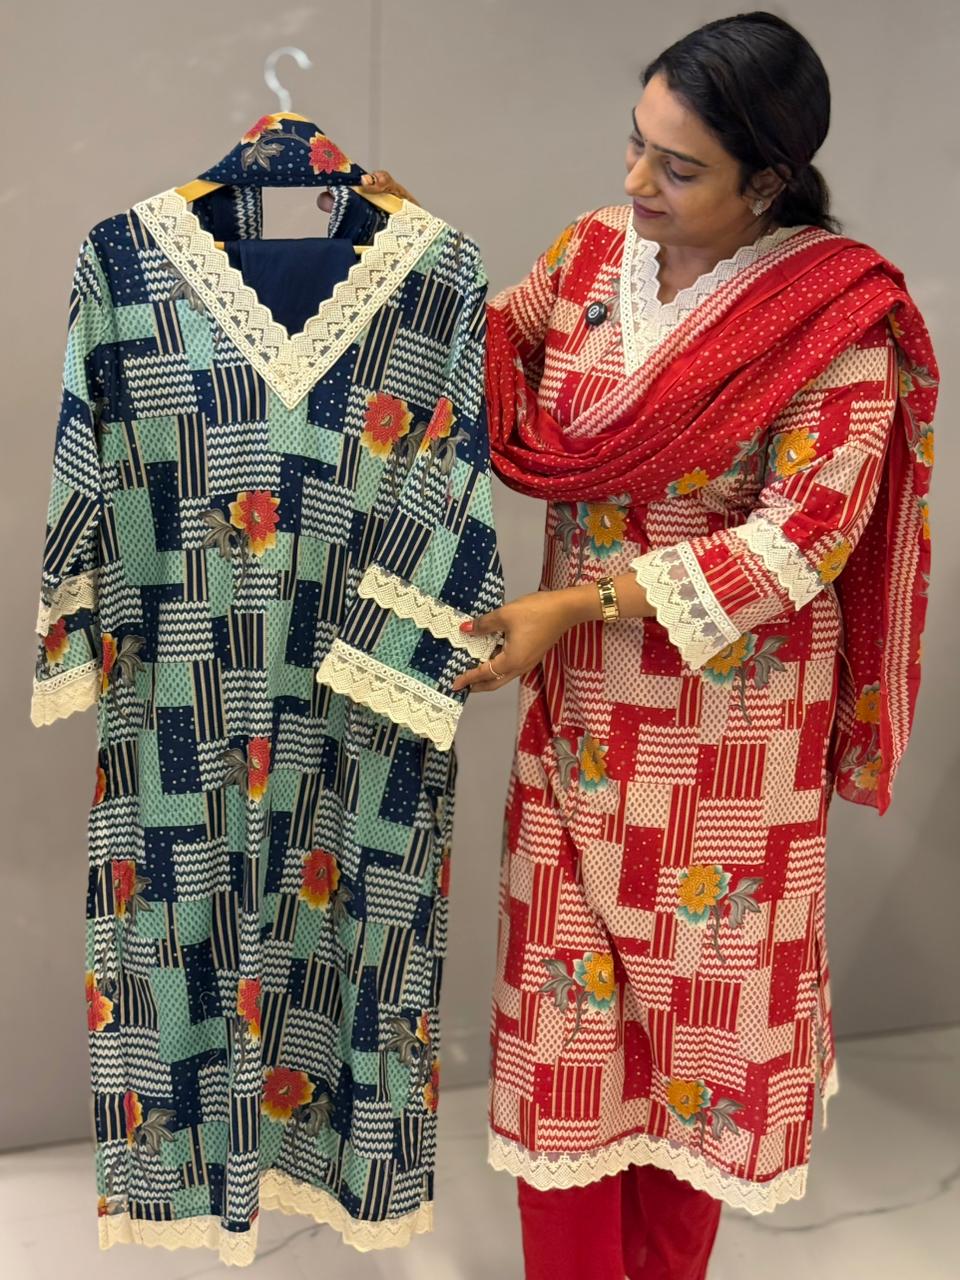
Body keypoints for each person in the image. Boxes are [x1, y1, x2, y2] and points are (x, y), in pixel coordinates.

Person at [338, 11, 938, 1279]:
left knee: (696, 1053)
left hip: (728, 756)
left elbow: (801, 542)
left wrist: (572, 604)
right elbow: (488, 352)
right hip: (580, 726)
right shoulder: (594, 252)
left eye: (679, 165)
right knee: (562, 1042)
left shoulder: (836, 319)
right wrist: (416, 256)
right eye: (635, 144)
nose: (636, 180)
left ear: (767, 180)